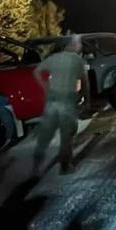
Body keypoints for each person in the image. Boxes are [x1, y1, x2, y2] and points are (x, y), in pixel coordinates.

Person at [32, 34, 88, 174]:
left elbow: (37, 72)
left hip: (52, 100)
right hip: (67, 101)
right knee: (66, 136)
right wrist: (87, 99)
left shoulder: (53, 58)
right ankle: (64, 167)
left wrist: (45, 87)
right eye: (78, 43)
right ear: (71, 45)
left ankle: (36, 167)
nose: (80, 46)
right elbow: (85, 81)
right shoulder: (77, 60)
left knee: (45, 136)